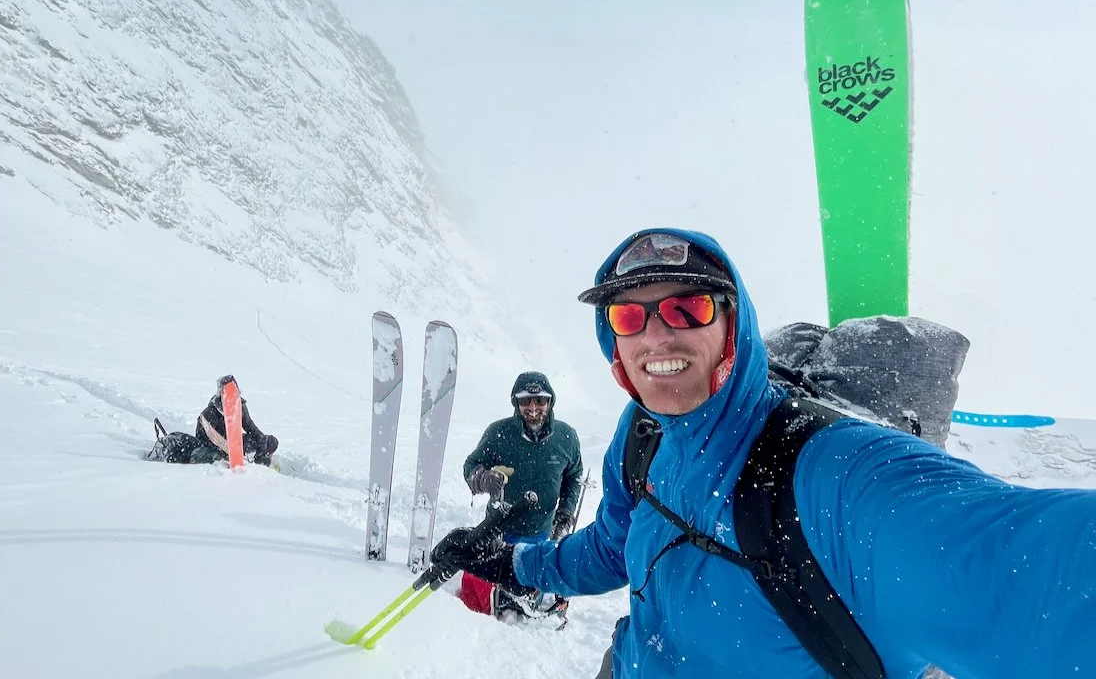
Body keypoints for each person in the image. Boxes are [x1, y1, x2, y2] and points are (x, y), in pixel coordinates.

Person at [431, 228, 1096, 678]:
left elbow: (1024, 574)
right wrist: (515, 562)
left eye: (686, 307)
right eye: (629, 318)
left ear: (733, 324)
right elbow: (611, 548)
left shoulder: (836, 476)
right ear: (614, 349)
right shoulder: (642, 437)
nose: (657, 331)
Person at [458, 371, 584, 620]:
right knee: (478, 593)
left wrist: (566, 512)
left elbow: (574, 476)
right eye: (525, 401)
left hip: (539, 532)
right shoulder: (498, 433)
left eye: (540, 401)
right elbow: (471, 465)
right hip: (497, 529)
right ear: (516, 402)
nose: (533, 408)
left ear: (550, 401)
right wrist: (482, 478)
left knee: (524, 591)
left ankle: (519, 602)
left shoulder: (566, 437)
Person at [146, 375, 278, 466]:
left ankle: (263, 468)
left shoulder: (241, 407)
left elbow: (253, 429)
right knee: (210, 456)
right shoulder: (209, 414)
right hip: (211, 446)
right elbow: (211, 441)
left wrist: (262, 450)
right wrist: (232, 454)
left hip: (234, 443)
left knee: (270, 442)